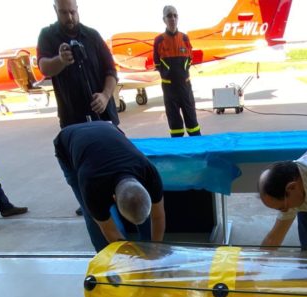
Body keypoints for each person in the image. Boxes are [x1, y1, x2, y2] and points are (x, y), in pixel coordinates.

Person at [37, 0, 120, 216]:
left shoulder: (92, 36)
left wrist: (105, 95)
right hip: (73, 119)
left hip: (103, 114)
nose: (70, 17)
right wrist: (60, 60)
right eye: (64, 13)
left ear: (77, 9)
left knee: (113, 159)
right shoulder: (47, 36)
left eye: (73, 12)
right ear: (55, 10)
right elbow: (44, 67)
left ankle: (118, 198)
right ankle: (90, 203)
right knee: (82, 166)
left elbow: (111, 71)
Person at [53, 121, 166, 252]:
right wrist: (129, 258)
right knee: (93, 216)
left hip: (107, 129)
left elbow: (158, 217)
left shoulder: (149, 172)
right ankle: (104, 254)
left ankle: (147, 247)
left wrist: (155, 250)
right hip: (67, 142)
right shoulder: (91, 185)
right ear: (114, 198)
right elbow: (109, 230)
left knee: (138, 209)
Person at [153, 5, 201, 137]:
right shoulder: (159, 40)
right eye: (169, 16)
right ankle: (178, 148)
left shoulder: (185, 38)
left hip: (185, 88)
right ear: (164, 19)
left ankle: (198, 147)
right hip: (170, 90)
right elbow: (157, 64)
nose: (172, 18)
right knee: (175, 127)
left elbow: (190, 60)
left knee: (193, 124)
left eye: (175, 15)